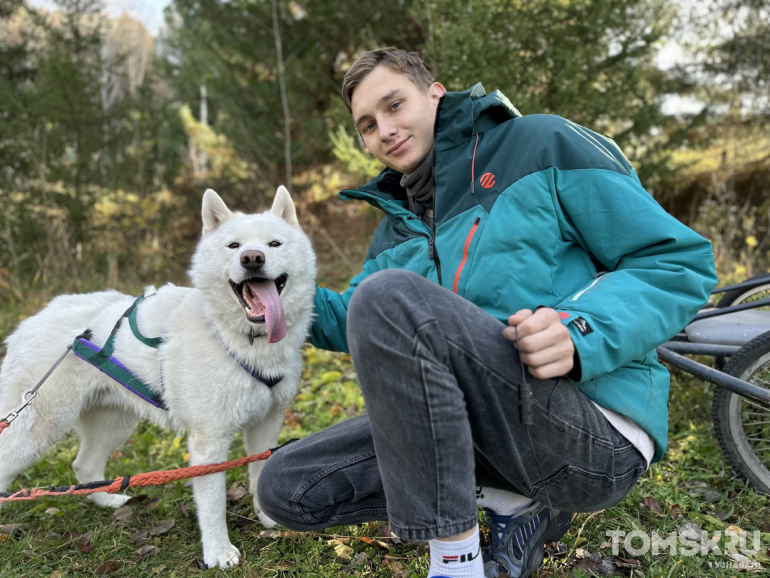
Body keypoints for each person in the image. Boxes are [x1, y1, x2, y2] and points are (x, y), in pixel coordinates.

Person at [257, 47, 716, 578]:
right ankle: (511, 503)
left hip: (591, 432)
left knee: (388, 295)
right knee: (289, 486)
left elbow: (675, 262)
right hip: (483, 425)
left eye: (393, 105)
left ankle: (454, 561)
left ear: (435, 94)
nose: (383, 130)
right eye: (366, 125)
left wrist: (579, 330)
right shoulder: (395, 227)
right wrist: (259, 294)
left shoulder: (538, 143)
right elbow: (355, 316)